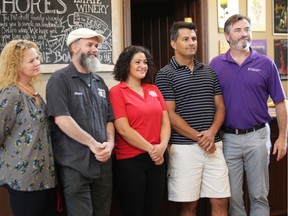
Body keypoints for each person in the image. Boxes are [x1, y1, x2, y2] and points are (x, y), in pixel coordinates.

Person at [210, 14, 287, 216]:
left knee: (259, 196)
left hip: (258, 137)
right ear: (227, 36)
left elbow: (280, 101)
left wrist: (283, 137)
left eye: (247, 29)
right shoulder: (216, 65)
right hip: (228, 139)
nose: (245, 33)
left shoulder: (266, 63)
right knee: (233, 198)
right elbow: (211, 103)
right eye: (238, 30)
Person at [155, 21, 231, 216]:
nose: (191, 43)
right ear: (173, 43)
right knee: (189, 205)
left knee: (221, 200)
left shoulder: (209, 71)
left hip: (214, 145)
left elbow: (220, 106)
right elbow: (169, 115)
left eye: (194, 39)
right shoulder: (164, 75)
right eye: (186, 39)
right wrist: (201, 138)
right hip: (184, 148)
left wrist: (212, 134)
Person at [46, 28, 115, 216]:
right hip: (75, 164)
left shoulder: (100, 82)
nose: (95, 49)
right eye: (90, 45)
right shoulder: (59, 80)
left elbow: (109, 119)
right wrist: (92, 144)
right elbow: (62, 119)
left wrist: (109, 145)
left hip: (103, 164)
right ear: (74, 47)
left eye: (96, 45)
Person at [109, 45, 171, 216]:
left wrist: (162, 147)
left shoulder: (154, 89)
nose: (142, 65)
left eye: (145, 62)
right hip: (130, 161)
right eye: (137, 62)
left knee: (153, 210)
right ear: (126, 65)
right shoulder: (117, 92)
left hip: (157, 159)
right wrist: (152, 149)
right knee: (134, 211)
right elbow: (123, 129)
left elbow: (165, 123)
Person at [0, 39, 56, 216]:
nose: (37, 63)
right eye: (31, 60)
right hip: (24, 178)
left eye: (38, 58)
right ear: (16, 65)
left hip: (45, 176)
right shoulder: (11, 94)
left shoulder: (32, 89)